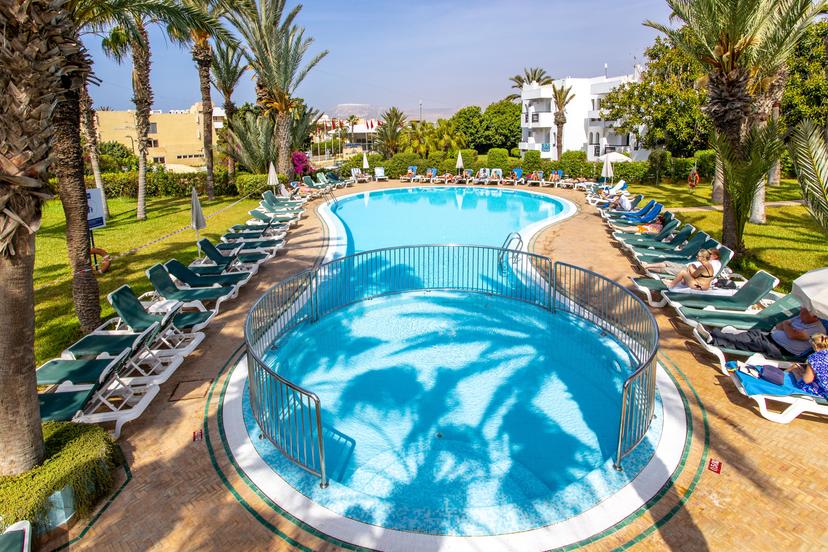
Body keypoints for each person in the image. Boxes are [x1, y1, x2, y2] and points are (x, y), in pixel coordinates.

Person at [706, 308, 825, 358]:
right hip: (770, 338)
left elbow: (792, 335)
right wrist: (787, 326)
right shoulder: (800, 317)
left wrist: (787, 326)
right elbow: (779, 326)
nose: (801, 313)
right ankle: (714, 335)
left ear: (815, 317)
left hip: (780, 350)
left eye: (804, 313)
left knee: (750, 343)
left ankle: (715, 339)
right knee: (750, 335)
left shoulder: (817, 330)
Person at [644, 248, 721, 278]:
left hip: (688, 272)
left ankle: (646, 268)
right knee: (666, 262)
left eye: (710, 254)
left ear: (715, 256)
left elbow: (709, 274)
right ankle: (646, 265)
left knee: (667, 269)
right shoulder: (708, 259)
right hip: (686, 266)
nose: (707, 254)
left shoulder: (716, 263)